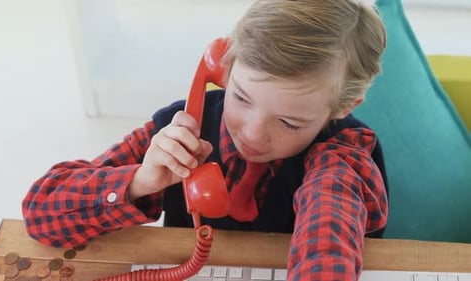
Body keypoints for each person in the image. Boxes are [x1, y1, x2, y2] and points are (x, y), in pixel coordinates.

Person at [22, 0, 389, 280]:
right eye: (242, 98)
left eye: (290, 123)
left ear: (342, 107)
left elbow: (328, 232)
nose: (252, 133)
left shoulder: (343, 154)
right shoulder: (181, 125)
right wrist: (139, 182)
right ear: (222, 67)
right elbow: (41, 212)